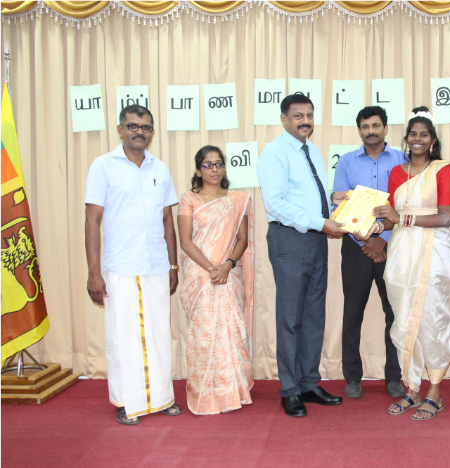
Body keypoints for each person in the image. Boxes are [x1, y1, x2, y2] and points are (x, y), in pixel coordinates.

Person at [85, 104, 183, 425]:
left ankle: (162, 398)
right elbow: (92, 221)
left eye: (145, 127)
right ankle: (126, 402)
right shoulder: (103, 166)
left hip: (156, 265)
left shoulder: (160, 169)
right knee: (122, 337)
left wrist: (173, 266)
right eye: (133, 126)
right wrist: (94, 273)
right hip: (120, 267)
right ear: (120, 129)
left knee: (158, 333)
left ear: (152, 132)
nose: (139, 132)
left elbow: (167, 219)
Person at [368, 106, 450, 421]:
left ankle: (434, 392)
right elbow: (390, 219)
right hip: (401, 255)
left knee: (432, 320)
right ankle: (412, 389)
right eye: (413, 134)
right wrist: (369, 226)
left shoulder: (443, 170)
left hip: (433, 253)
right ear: (406, 139)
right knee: (404, 321)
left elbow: (446, 217)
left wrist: (401, 218)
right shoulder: (397, 173)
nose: (417, 139)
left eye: (424, 134)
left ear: (433, 140)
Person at [257, 94, 347, 418]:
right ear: (284, 119)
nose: (305, 121)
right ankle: (290, 390)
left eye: (309, 115)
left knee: (313, 317)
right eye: (298, 116)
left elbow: (310, 198)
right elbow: (276, 204)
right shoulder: (274, 153)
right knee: (291, 319)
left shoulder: (313, 151)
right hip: (290, 241)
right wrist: (322, 223)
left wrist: (334, 199)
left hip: (316, 241)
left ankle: (309, 383)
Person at [331, 106, 406, 400]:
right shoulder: (347, 162)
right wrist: (364, 238)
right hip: (356, 246)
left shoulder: (402, 160)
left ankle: (394, 376)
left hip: (394, 245)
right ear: (359, 130)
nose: (371, 131)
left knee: (394, 313)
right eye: (365, 126)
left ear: (386, 128)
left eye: (376, 125)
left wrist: (382, 239)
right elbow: (340, 206)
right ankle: (352, 376)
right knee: (352, 313)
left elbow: (406, 205)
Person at [177, 145, 254, 415]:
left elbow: (242, 239)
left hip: (228, 272)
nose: (214, 169)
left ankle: (233, 389)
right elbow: (185, 241)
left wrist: (227, 265)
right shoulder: (189, 199)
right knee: (205, 334)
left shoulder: (237, 199)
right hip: (201, 275)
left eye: (219, 164)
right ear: (198, 170)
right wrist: (212, 269)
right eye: (208, 165)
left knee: (232, 330)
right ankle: (206, 391)